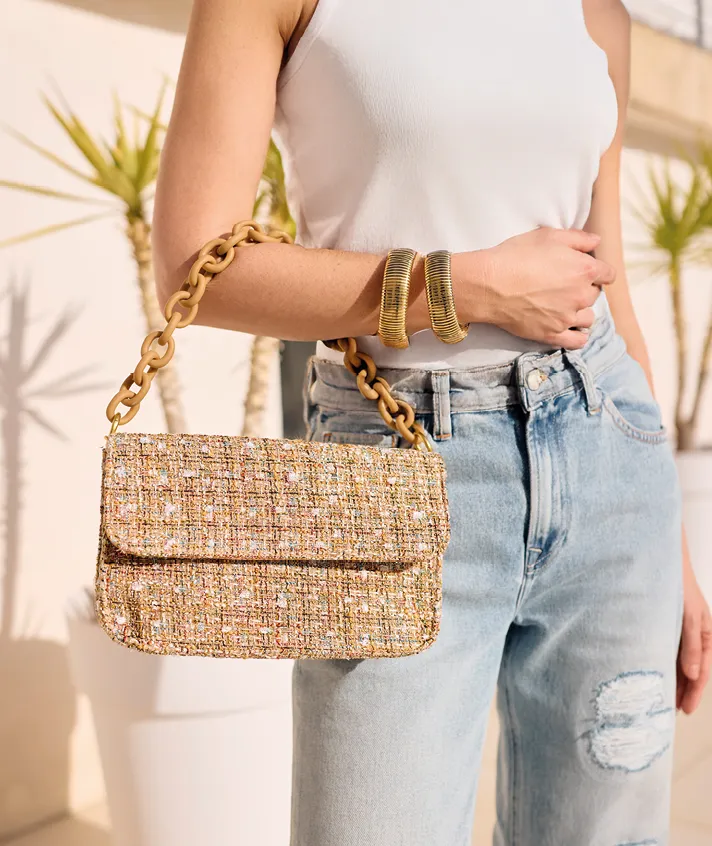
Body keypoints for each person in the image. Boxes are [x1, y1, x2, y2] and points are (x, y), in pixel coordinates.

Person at [152, 1, 712, 843]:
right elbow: (196, 266)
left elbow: (607, 279)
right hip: (391, 465)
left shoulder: (599, 13)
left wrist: (676, 556)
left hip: (607, 451)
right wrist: (468, 287)